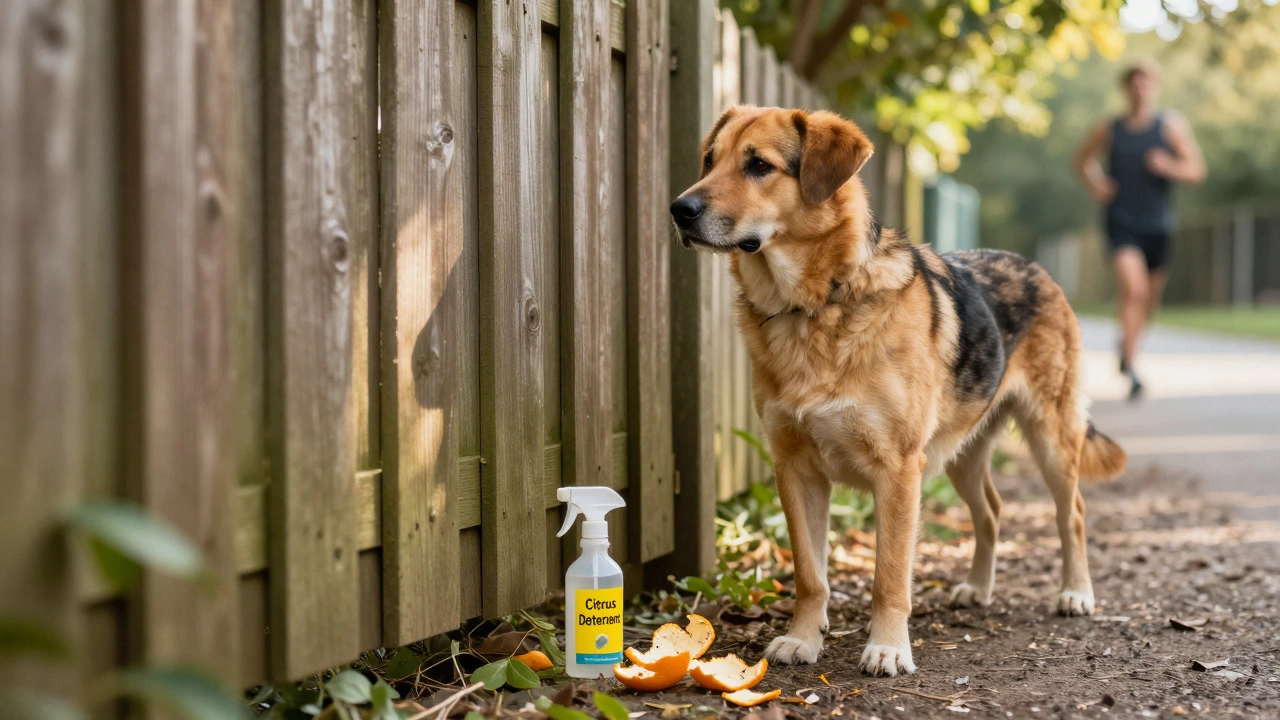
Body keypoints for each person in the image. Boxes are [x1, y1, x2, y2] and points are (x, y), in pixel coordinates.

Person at [1074, 60, 1205, 400]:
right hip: (1121, 222)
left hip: (1158, 225)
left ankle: (1127, 345)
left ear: (1154, 87)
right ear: (1126, 89)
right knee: (1132, 290)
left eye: (1146, 83)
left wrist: (1169, 166)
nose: (1140, 89)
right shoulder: (1109, 128)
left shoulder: (1169, 126)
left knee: (1148, 301)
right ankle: (1131, 366)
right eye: (1134, 83)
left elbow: (1196, 170)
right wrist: (1097, 185)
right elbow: (1082, 160)